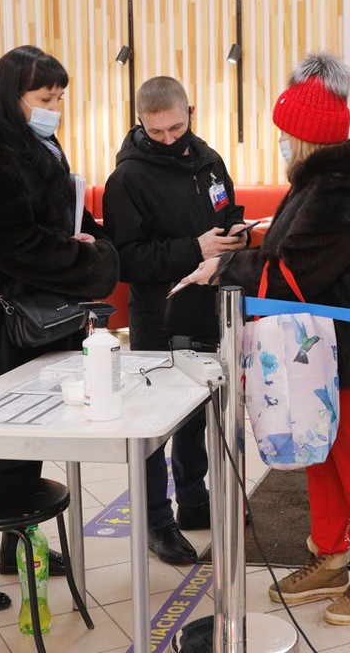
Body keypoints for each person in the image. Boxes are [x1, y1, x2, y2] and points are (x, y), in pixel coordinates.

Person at [182, 53, 350, 626]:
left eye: (285, 131)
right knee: (321, 456)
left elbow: (291, 272)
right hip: (320, 352)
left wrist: (224, 268)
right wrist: (253, 244)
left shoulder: (340, 190)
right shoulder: (322, 183)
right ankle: (329, 556)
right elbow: (293, 252)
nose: (280, 140)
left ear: (306, 136)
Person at [0, 45, 120, 611]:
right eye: (44, 97)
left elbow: (55, 215)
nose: (53, 107)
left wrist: (88, 238)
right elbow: (8, 240)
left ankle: (17, 543)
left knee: (25, 436)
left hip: (22, 318)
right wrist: (89, 261)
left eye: (59, 97)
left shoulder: (29, 139)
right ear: (11, 94)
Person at [102, 76, 248, 564]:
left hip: (211, 309)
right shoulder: (127, 179)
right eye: (157, 131)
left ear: (191, 113)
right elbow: (126, 260)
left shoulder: (209, 161)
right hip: (160, 318)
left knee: (197, 417)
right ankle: (156, 521)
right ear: (140, 122)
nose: (168, 139)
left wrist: (236, 236)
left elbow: (225, 212)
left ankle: (193, 499)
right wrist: (194, 249)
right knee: (154, 426)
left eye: (176, 128)